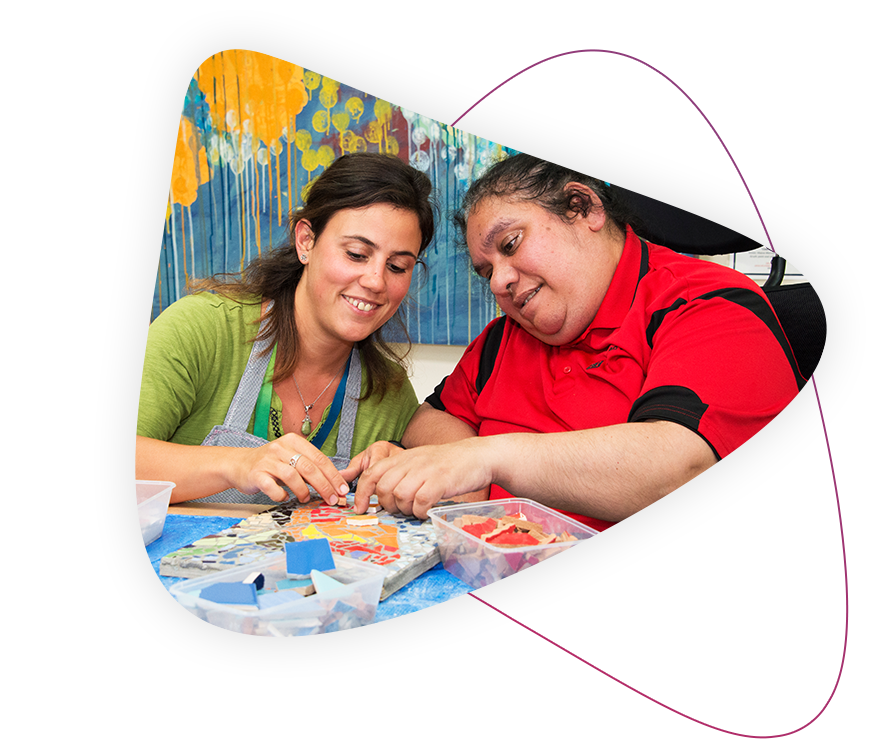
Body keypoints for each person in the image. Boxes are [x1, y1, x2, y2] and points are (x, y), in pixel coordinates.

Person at [344, 154, 805, 530]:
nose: (500, 283)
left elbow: (680, 468)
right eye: (486, 273)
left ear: (583, 207)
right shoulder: (503, 339)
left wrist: (484, 458)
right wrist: (455, 473)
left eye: (510, 244)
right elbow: (433, 417)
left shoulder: (708, 303)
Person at [137, 152, 436, 505]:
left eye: (398, 266)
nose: (375, 281)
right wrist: (239, 464)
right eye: (356, 253)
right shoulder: (200, 331)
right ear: (306, 241)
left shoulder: (390, 393)